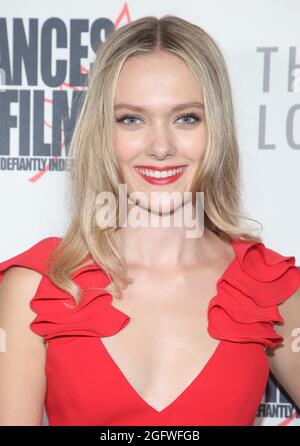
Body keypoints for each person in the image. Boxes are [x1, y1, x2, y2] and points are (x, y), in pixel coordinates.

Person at [0, 15, 299, 426]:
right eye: (131, 119)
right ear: (102, 132)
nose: (161, 146)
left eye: (186, 118)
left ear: (217, 129)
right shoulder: (37, 286)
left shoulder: (266, 288)